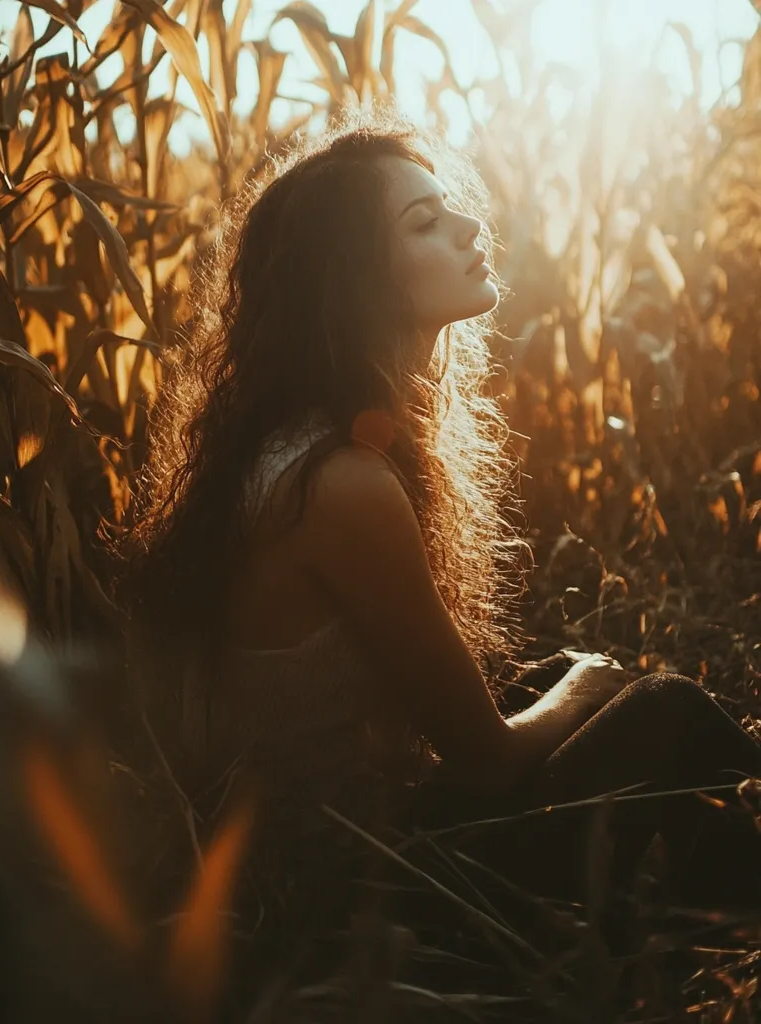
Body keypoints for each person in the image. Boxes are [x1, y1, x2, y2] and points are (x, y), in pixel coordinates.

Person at [112, 108, 761, 945]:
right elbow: (486, 759)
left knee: (560, 675)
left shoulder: (293, 442)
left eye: (450, 204)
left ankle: (719, 907)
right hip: (368, 900)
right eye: (426, 222)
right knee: (658, 707)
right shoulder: (340, 483)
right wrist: (591, 685)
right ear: (357, 279)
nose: (468, 224)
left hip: (357, 848)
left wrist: (569, 685)